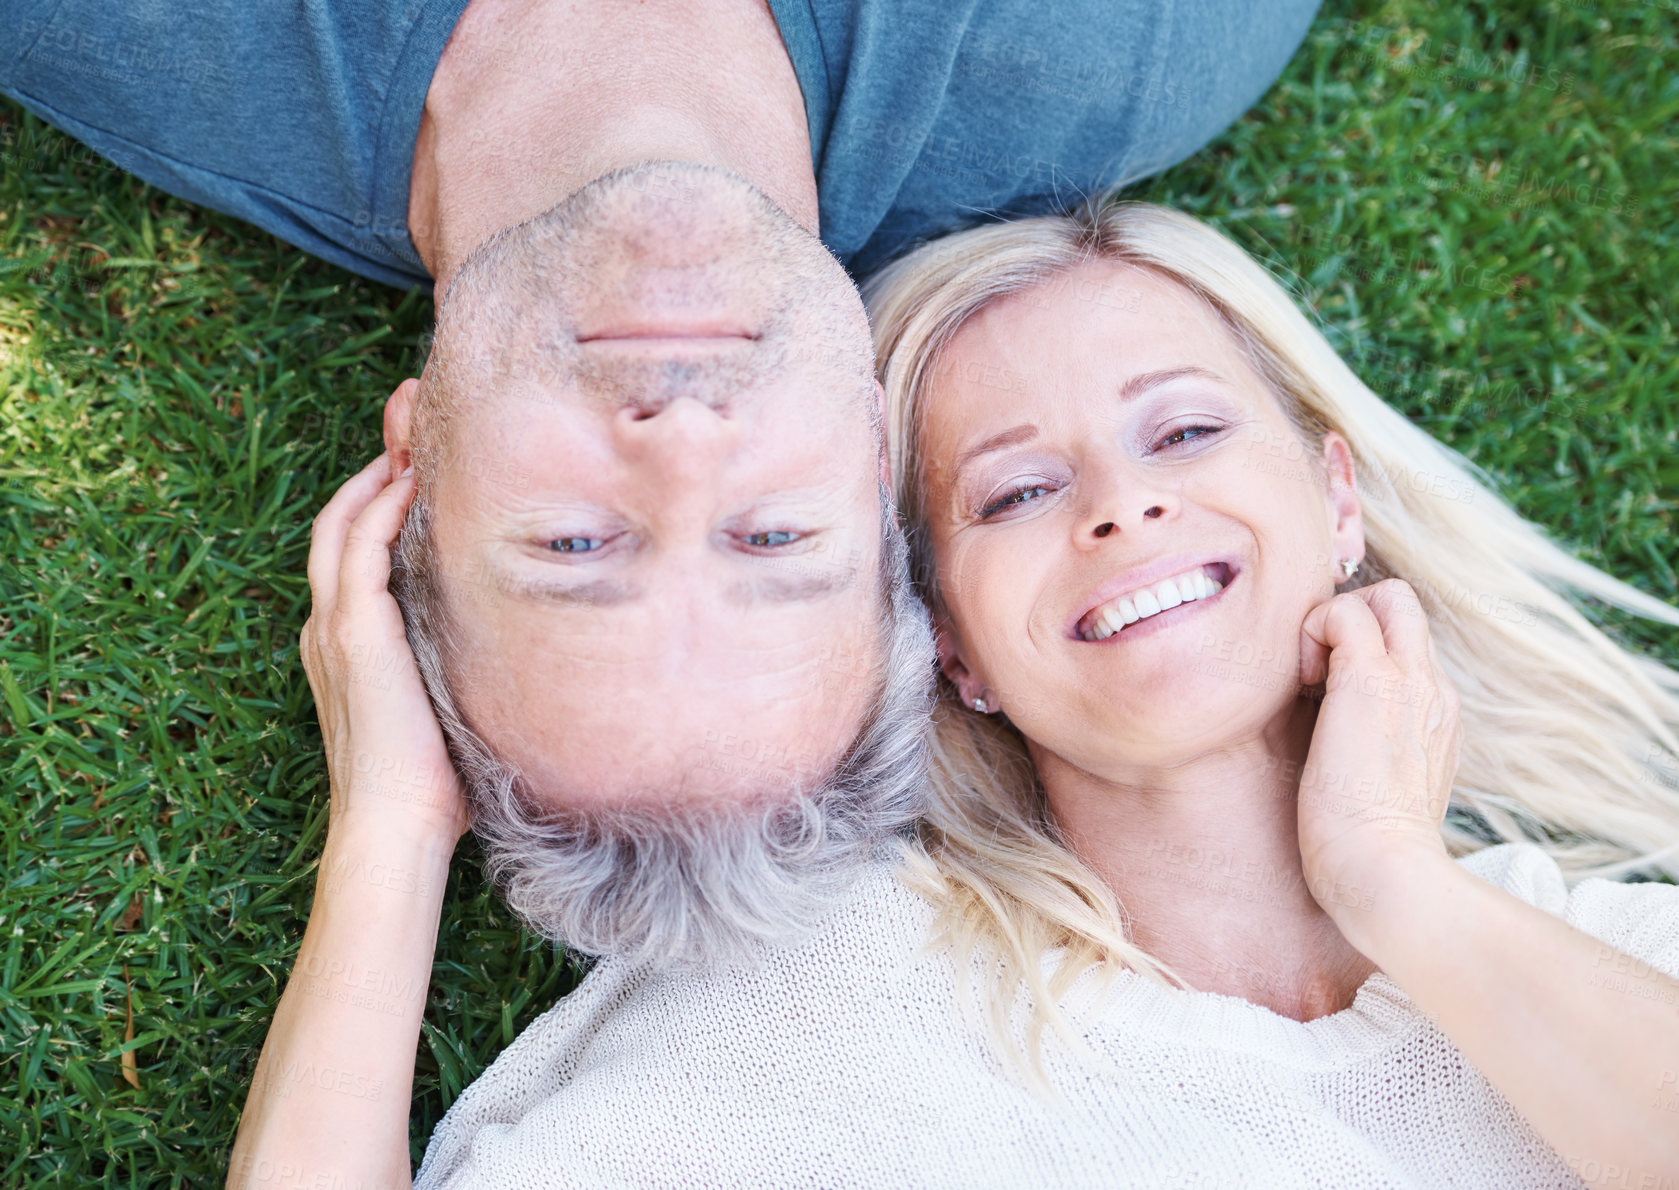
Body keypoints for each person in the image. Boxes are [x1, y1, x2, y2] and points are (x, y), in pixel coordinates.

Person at [285, 204, 1679, 1189]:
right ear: (950, 638)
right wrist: (395, 833)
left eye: (1186, 429)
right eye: (1017, 489)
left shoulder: (1611, 960)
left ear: (1334, 499)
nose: (1126, 503)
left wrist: (1398, 886)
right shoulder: (836, 996)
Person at [2, 0, 1320, 957]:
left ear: (414, 469)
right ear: (872, 449)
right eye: (774, 535)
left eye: (577, 545)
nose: (683, 438)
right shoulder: (1142, 44)